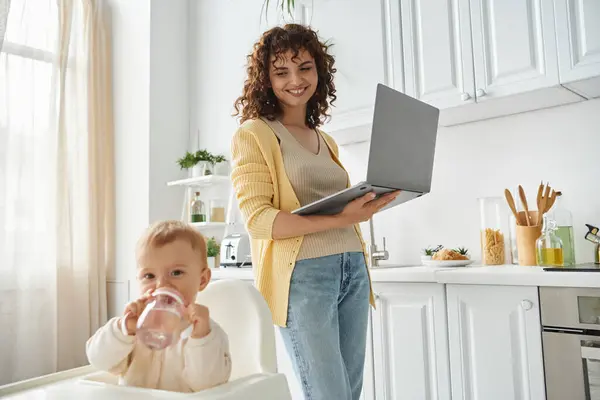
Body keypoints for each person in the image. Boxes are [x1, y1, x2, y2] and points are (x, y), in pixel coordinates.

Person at [230, 23, 398, 400]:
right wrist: (344, 219)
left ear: (319, 70)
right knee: (328, 395)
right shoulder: (255, 134)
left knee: (348, 394)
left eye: (304, 67)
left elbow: (336, 204)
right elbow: (259, 221)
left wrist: (374, 202)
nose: (295, 79)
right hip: (304, 278)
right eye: (281, 71)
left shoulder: (326, 138)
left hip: (352, 270)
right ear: (266, 80)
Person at [86, 220, 232, 392]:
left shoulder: (207, 334)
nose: (162, 285)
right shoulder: (133, 327)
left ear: (202, 280)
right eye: (149, 275)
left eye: (176, 273)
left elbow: (208, 385)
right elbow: (98, 360)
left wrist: (200, 338)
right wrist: (124, 328)